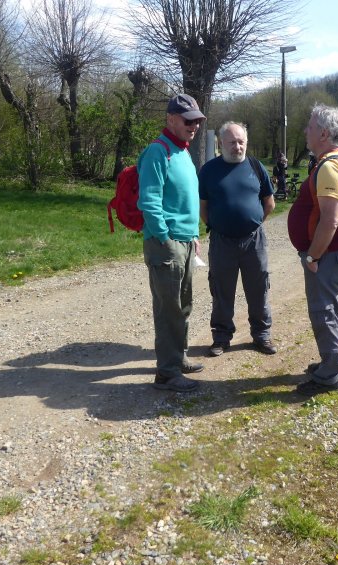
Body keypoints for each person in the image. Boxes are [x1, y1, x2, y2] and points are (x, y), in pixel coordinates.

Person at [287, 104, 338, 396]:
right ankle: (335, 361)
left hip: (327, 253)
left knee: (323, 310)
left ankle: (329, 374)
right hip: (334, 251)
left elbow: (329, 219)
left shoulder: (330, 166)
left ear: (324, 133)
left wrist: (313, 256)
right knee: (332, 306)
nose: (306, 130)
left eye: (310, 126)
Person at [137, 93, 206, 393]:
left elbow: (182, 201)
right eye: (188, 120)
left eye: (198, 121)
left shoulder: (183, 151)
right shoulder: (158, 152)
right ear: (171, 119)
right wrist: (164, 237)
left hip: (185, 242)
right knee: (168, 309)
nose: (194, 126)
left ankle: (178, 359)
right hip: (166, 244)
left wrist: (192, 236)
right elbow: (149, 201)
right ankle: (166, 373)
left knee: (184, 305)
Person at [198, 122, 277, 357]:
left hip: (254, 241)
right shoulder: (209, 170)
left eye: (241, 141)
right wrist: (217, 225)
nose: (237, 146)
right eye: (232, 142)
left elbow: (269, 203)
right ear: (222, 143)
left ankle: (261, 335)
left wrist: (252, 223)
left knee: (258, 288)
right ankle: (221, 338)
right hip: (222, 242)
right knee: (221, 291)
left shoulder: (256, 166)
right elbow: (203, 207)